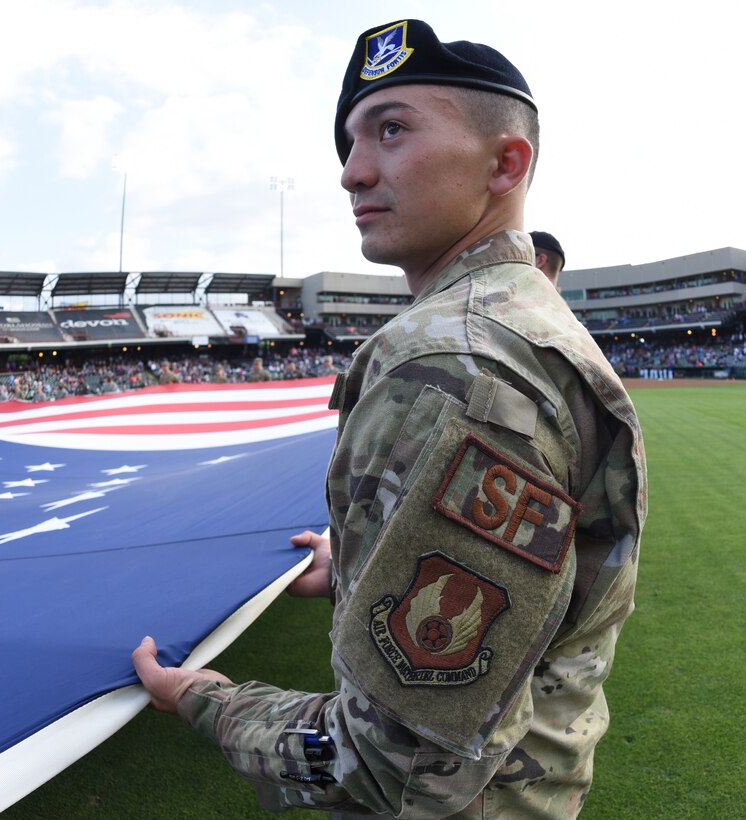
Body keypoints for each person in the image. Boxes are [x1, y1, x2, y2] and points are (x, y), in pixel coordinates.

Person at [132, 18, 647, 818]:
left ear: (505, 162)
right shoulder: (534, 321)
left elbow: (393, 769)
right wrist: (366, 565)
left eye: (393, 130)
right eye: (348, 143)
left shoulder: (449, 359)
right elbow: (543, 593)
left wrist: (205, 698)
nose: (351, 171)